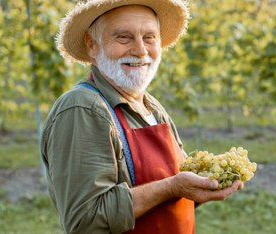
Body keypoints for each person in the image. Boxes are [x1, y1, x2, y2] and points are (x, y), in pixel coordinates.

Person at [41, 0, 243, 233]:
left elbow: (173, 189)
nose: (140, 50)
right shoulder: (83, 109)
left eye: (149, 37)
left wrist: (203, 184)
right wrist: (171, 187)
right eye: (124, 37)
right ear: (92, 45)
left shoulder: (151, 106)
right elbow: (84, 220)